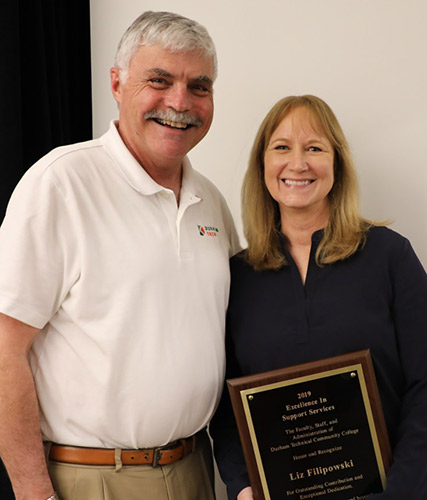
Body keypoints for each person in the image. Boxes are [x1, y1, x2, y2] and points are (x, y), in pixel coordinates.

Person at [0, 11, 240, 500]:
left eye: (199, 86)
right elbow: (5, 352)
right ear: (116, 83)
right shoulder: (61, 184)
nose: (179, 102)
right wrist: (33, 494)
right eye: (159, 80)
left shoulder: (212, 201)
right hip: (89, 481)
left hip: (197, 469)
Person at [209, 95, 427, 499]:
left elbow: (424, 386)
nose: (298, 163)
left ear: (336, 164)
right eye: (281, 148)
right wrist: (241, 485)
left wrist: (399, 492)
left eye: (314, 148)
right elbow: (225, 405)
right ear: (262, 166)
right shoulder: (236, 275)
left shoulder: (390, 256)